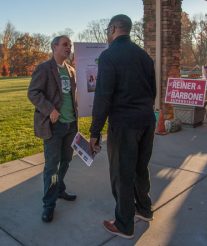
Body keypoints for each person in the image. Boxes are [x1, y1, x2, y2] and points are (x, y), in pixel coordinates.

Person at [89, 14, 156, 239]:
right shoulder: (145, 56)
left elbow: (103, 97)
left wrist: (95, 132)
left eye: (109, 29)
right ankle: (144, 209)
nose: (108, 33)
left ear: (115, 28)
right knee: (140, 168)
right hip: (146, 121)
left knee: (121, 173)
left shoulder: (109, 56)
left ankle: (124, 224)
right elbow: (152, 91)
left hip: (124, 124)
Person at [28, 35, 78, 223]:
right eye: (65, 44)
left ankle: (59, 189)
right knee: (52, 166)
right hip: (54, 127)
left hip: (70, 125)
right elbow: (33, 93)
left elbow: (72, 96)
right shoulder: (44, 69)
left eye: (70, 45)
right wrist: (50, 110)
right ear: (54, 47)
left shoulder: (71, 70)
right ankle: (49, 204)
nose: (68, 47)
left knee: (66, 160)